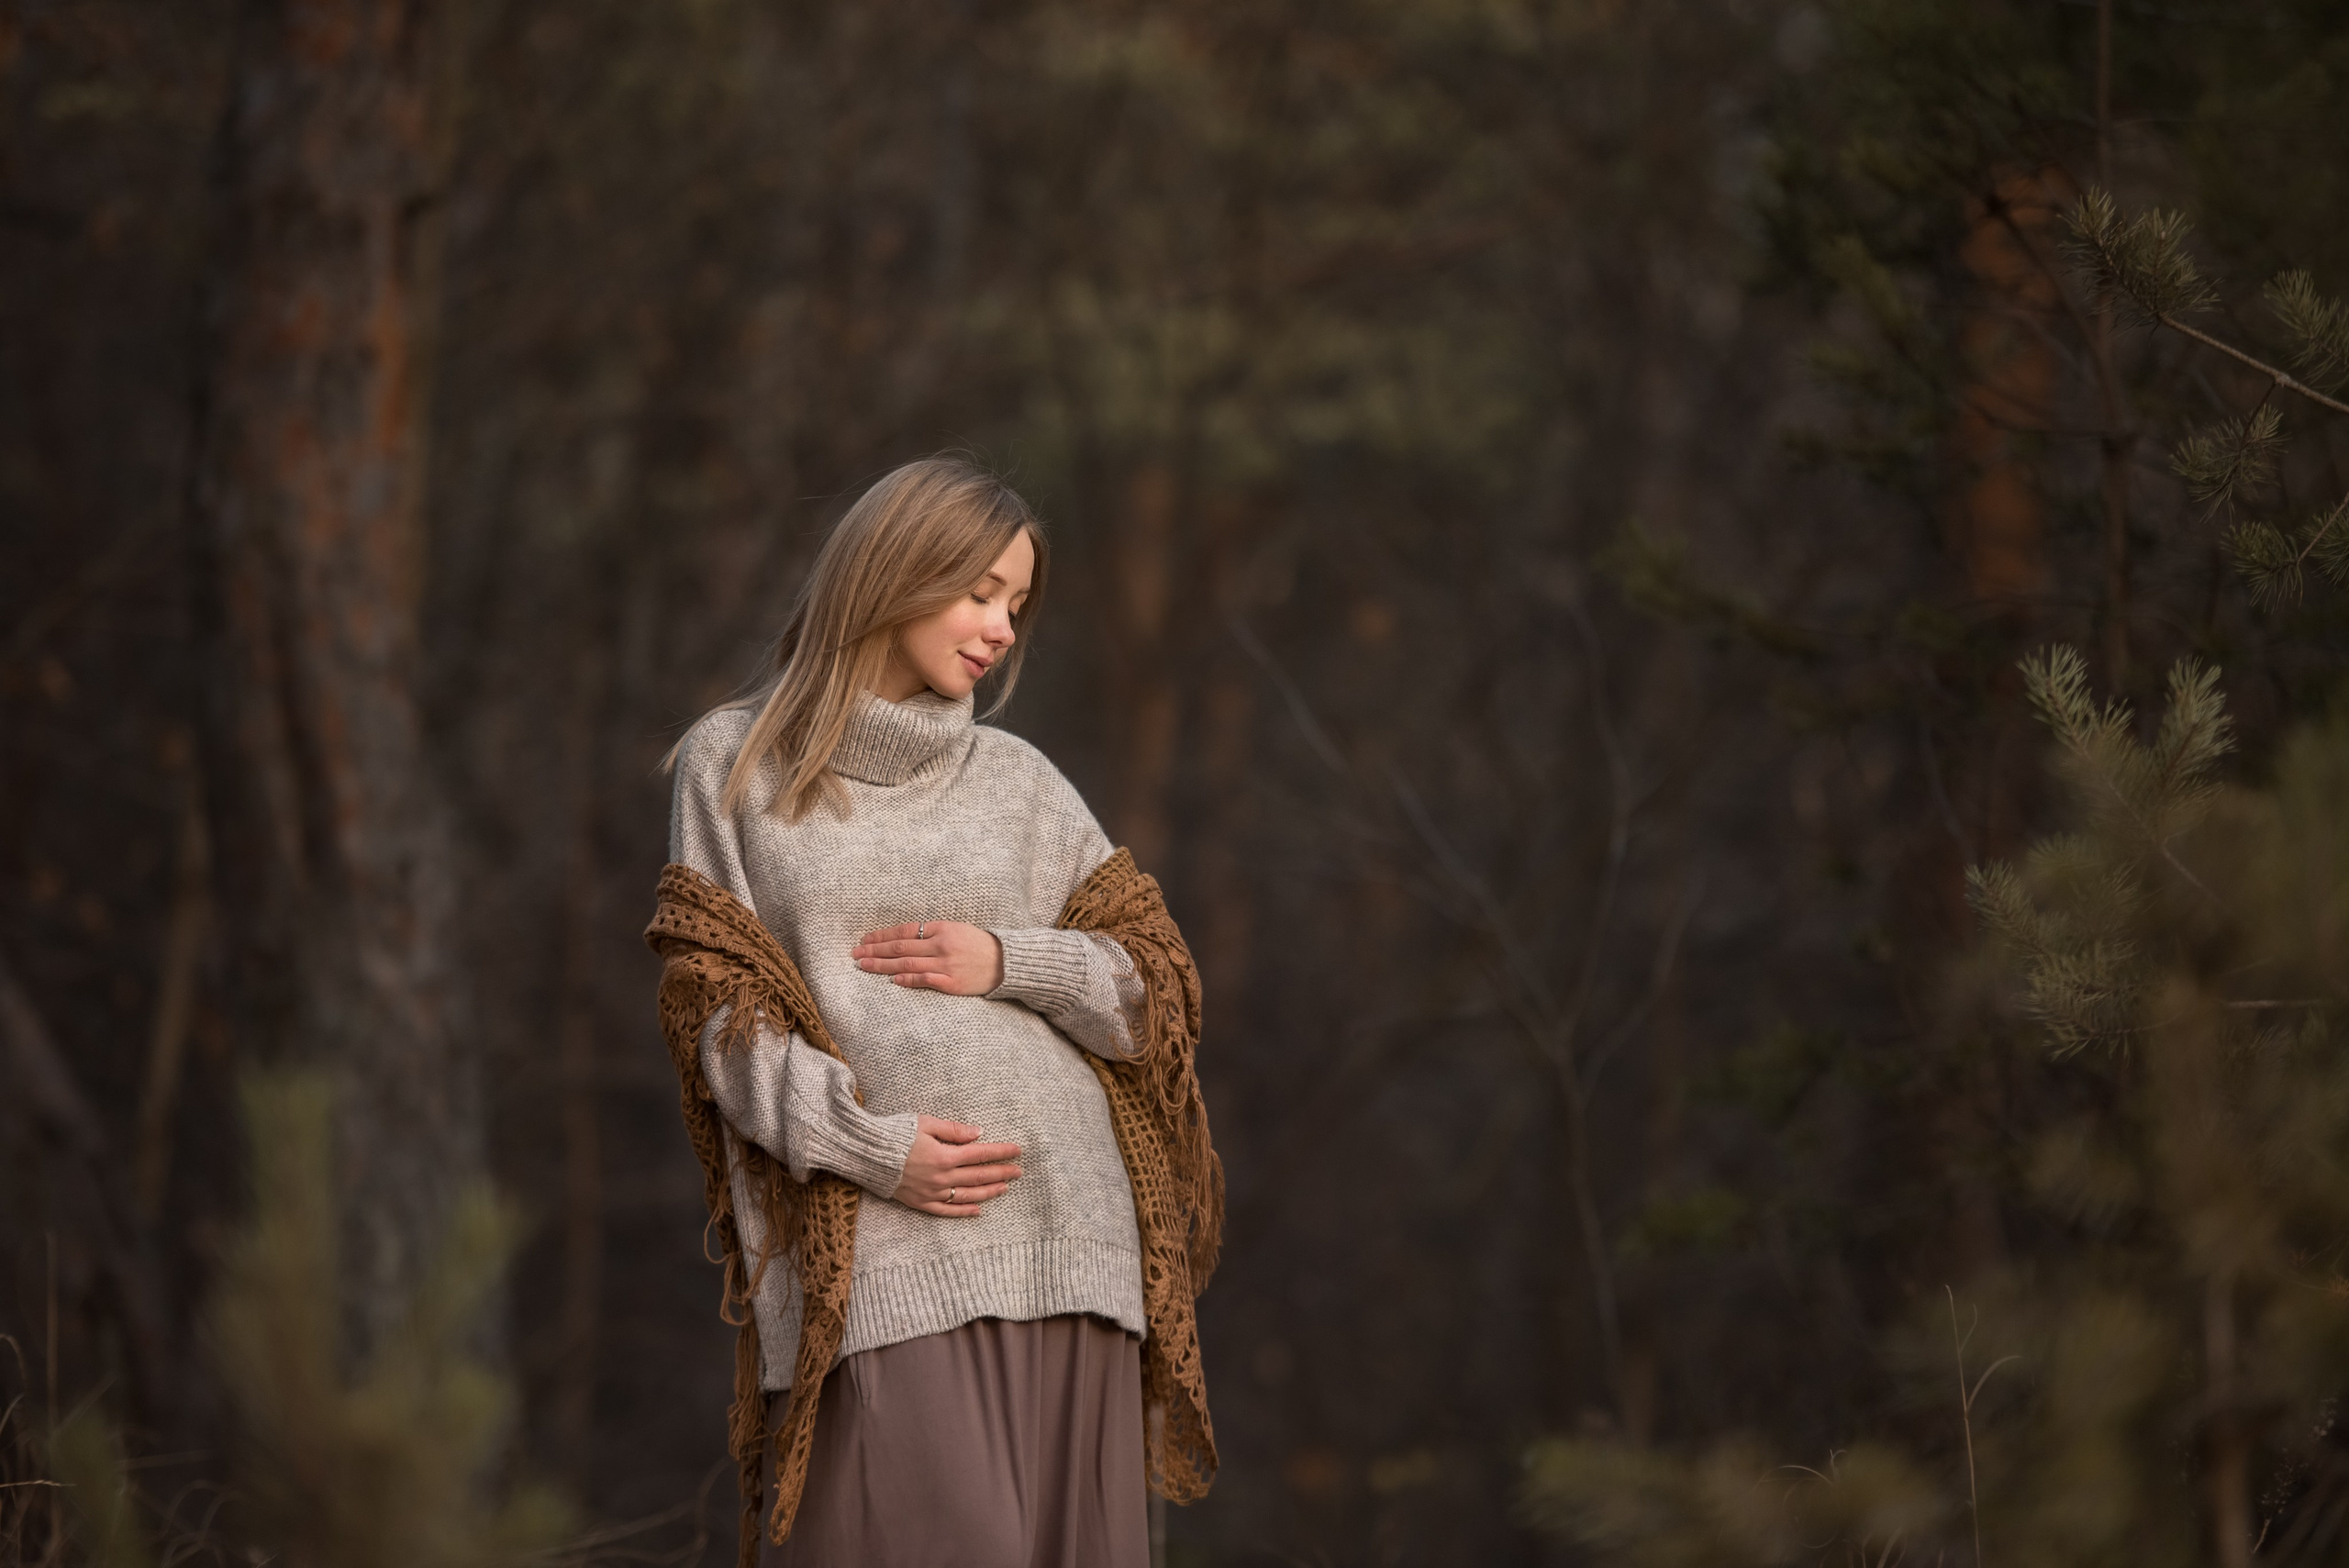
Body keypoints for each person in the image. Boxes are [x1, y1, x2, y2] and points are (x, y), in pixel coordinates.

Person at [656, 455, 1215, 1568]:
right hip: (887, 1255)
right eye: (979, 591)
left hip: (1076, 1248)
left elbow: (1154, 989)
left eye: (1016, 602)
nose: (1001, 627)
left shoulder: (1022, 780)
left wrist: (1012, 958)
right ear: (895, 571)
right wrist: (871, 1147)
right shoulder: (735, 765)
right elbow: (717, 1012)